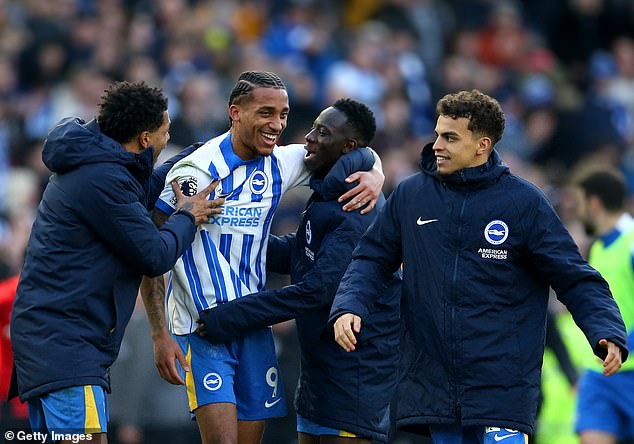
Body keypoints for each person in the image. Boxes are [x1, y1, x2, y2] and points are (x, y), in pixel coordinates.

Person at [331, 89, 628, 444]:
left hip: (503, 387)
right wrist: (350, 304)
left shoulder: (523, 203)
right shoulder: (411, 196)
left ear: (482, 145)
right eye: (438, 134)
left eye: (450, 137)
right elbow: (371, 258)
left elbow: (574, 277)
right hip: (434, 383)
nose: (437, 145)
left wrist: (604, 327)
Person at [143, 72, 384, 444]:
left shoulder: (283, 162)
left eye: (284, 114)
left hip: (254, 327)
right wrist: (159, 332)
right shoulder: (195, 172)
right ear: (235, 112)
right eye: (266, 113)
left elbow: (353, 150)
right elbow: (151, 252)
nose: (278, 125)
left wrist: (375, 173)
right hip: (201, 326)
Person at [9, 81, 223, 443]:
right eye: (164, 133)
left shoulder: (99, 164)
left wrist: (201, 155)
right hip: (67, 349)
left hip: (54, 343)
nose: (164, 140)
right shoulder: (103, 179)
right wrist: (188, 216)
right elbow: (154, 255)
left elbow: (141, 187)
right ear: (143, 139)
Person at [196, 98, 401, 444]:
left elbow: (317, 289)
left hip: (356, 369)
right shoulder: (330, 191)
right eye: (313, 128)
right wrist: (225, 234)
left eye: (323, 132)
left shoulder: (358, 206)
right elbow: (300, 253)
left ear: (348, 146)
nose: (309, 138)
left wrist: (230, 316)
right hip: (321, 368)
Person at [573, 166, 634, 444]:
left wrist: (624, 344)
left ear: (594, 203)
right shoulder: (597, 248)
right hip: (600, 376)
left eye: (580, 202)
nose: (577, 210)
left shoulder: (632, 243)